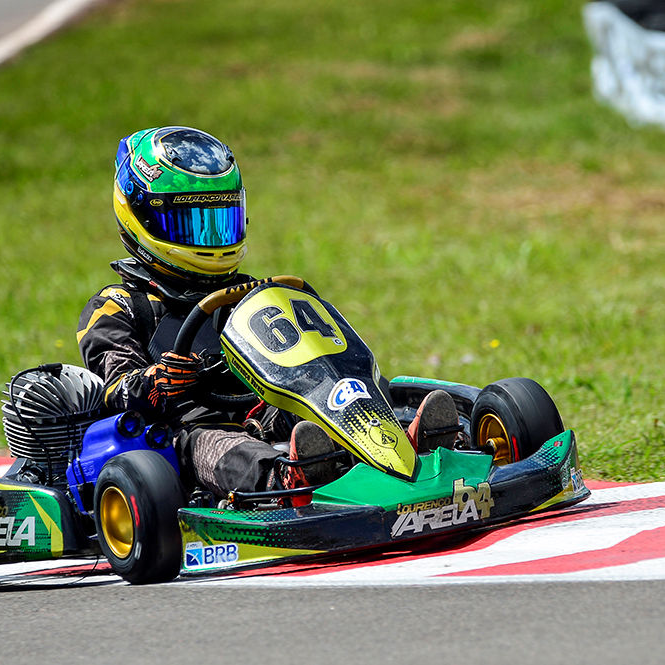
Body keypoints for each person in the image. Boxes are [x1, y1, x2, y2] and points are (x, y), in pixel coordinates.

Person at [77, 126, 456, 503]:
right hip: (187, 435)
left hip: (263, 409)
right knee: (210, 442)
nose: (209, 239)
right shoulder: (119, 306)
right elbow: (114, 389)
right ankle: (286, 480)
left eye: (219, 222)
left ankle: (404, 442)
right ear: (141, 217)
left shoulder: (249, 292)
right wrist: (157, 378)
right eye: (191, 224)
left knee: (331, 391)